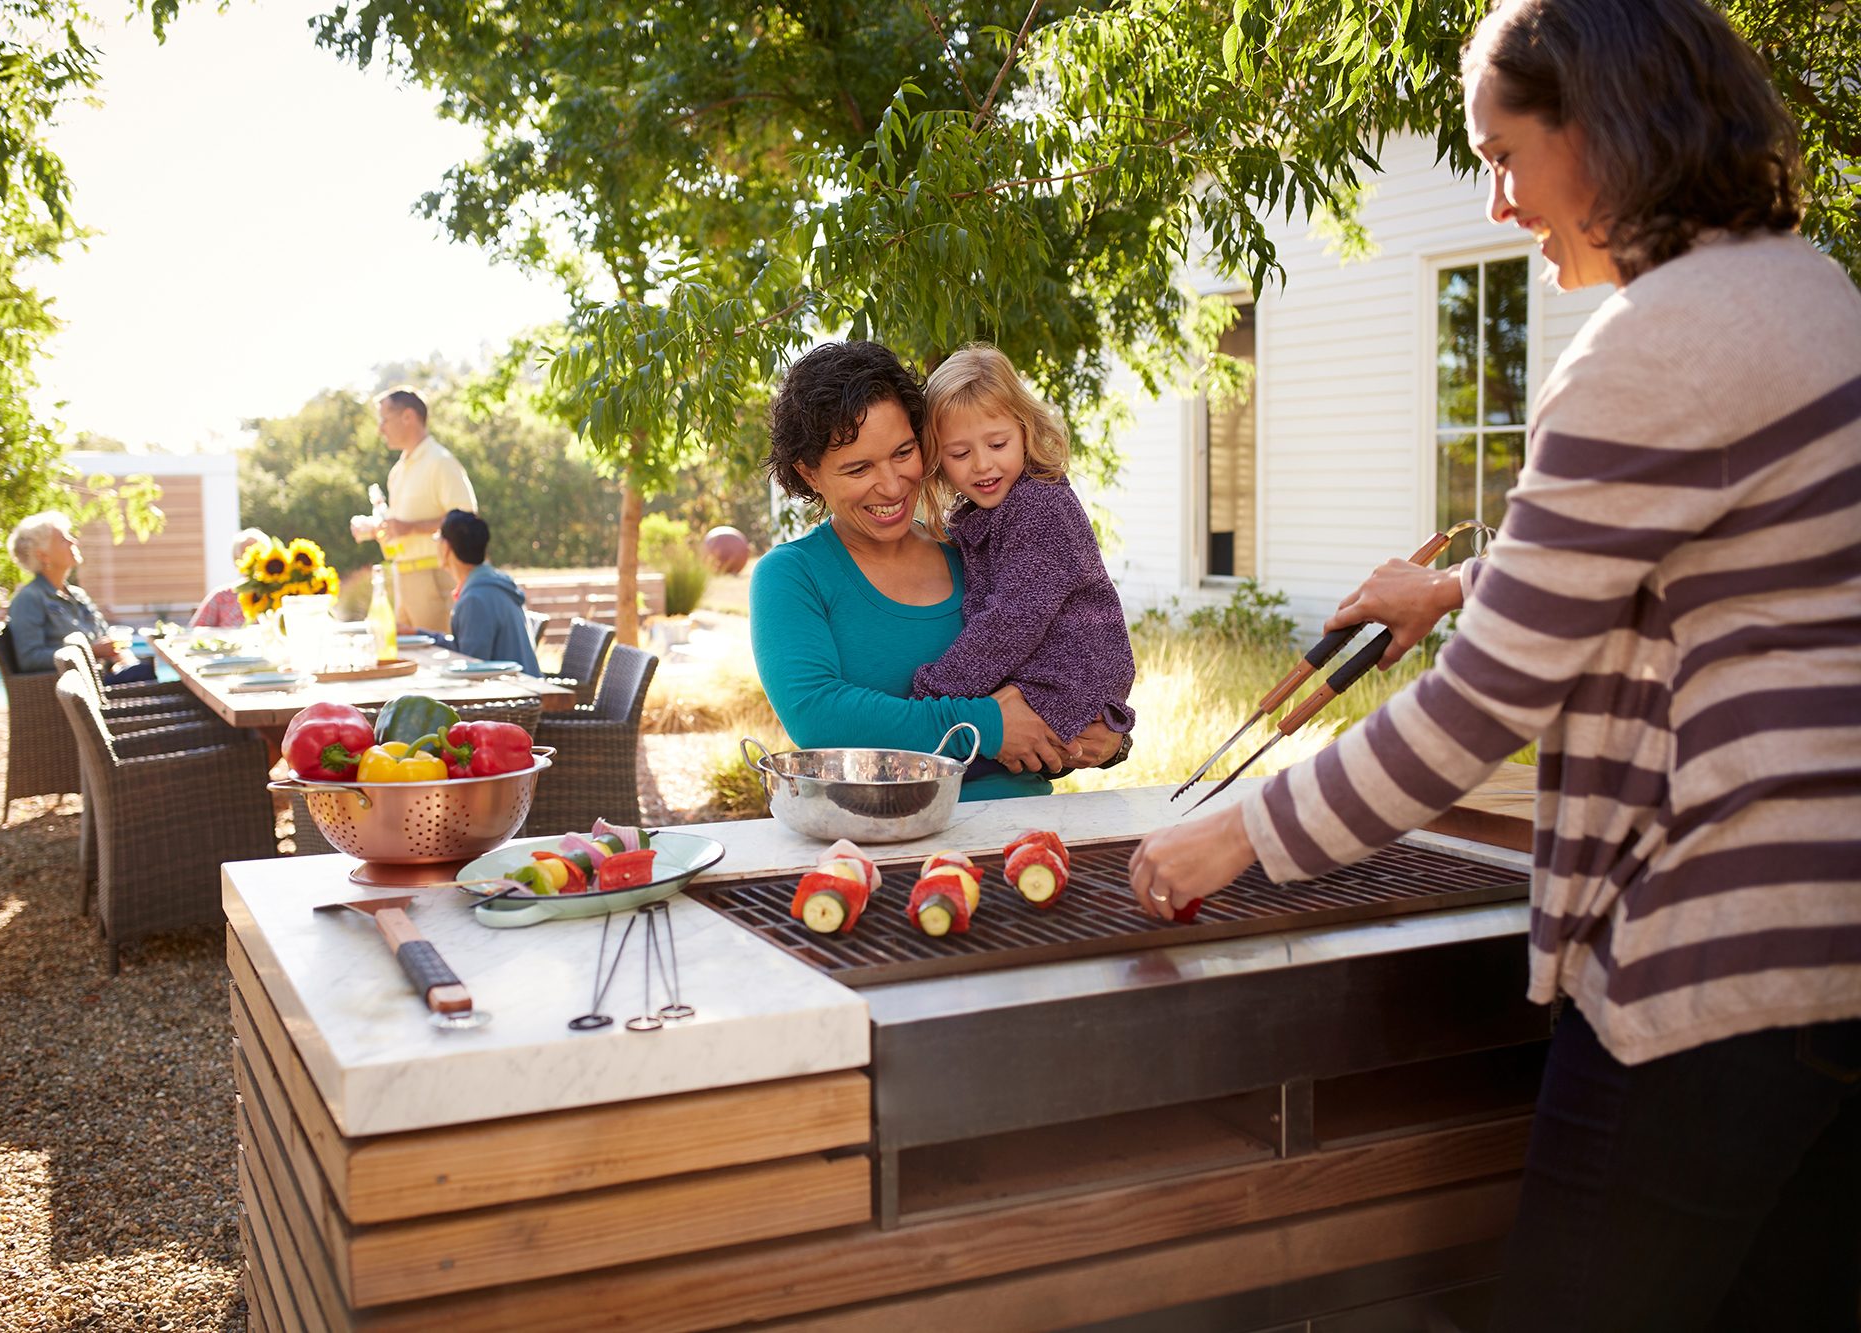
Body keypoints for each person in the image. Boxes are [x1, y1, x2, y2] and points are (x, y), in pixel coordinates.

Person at [1129, 1, 1861, 1327]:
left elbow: (1482, 708)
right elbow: (1730, 565)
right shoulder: (1809, 293)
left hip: (1709, 970)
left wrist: (1237, 836)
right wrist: (1460, 584)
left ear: (1604, 129)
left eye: (1508, 150)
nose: (1500, 194)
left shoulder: (1655, 345)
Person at [749, 340, 1124, 800]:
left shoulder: (971, 548)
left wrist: (1107, 734)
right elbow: (819, 718)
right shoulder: (793, 576)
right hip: (886, 840)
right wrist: (985, 725)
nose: (890, 485)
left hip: (1023, 827)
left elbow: (1064, 659)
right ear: (809, 474)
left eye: (904, 452)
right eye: (859, 468)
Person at [909, 345, 1136, 773]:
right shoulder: (982, 514)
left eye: (998, 443)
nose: (982, 464)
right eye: (959, 454)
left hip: (1072, 673)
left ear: (1025, 430)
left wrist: (937, 692)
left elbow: (1014, 618)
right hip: (1049, 675)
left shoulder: (1038, 504)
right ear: (938, 459)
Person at [348, 387, 476, 635]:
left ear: (408, 417)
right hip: (401, 578)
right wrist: (377, 529)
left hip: (435, 578)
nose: (380, 429)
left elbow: (467, 521)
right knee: (410, 660)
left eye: (384, 420)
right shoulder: (398, 470)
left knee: (437, 661)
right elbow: (401, 529)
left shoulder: (441, 462)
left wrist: (411, 527)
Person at [5, 512, 156, 683]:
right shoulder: (29, 599)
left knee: (146, 671)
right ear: (43, 555)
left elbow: (106, 636)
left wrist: (123, 658)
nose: (73, 541)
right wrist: (91, 651)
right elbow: (30, 659)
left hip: (103, 679)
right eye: (63, 539)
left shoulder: (78, 594)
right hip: (75, 690)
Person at [437, 509, 541, 672]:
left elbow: (471, 668)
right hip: (525, 689)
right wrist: (416, 633)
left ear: (446, 547)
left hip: (516, 694)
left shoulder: (475, 600)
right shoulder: (492, 585)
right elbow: (465, 648)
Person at [187, 528, 271, 629]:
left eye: (258, 555)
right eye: (246, 556)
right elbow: (195, 632)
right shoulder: (221, 597)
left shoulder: (280, 594)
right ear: (237, 561)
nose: (253, 562)